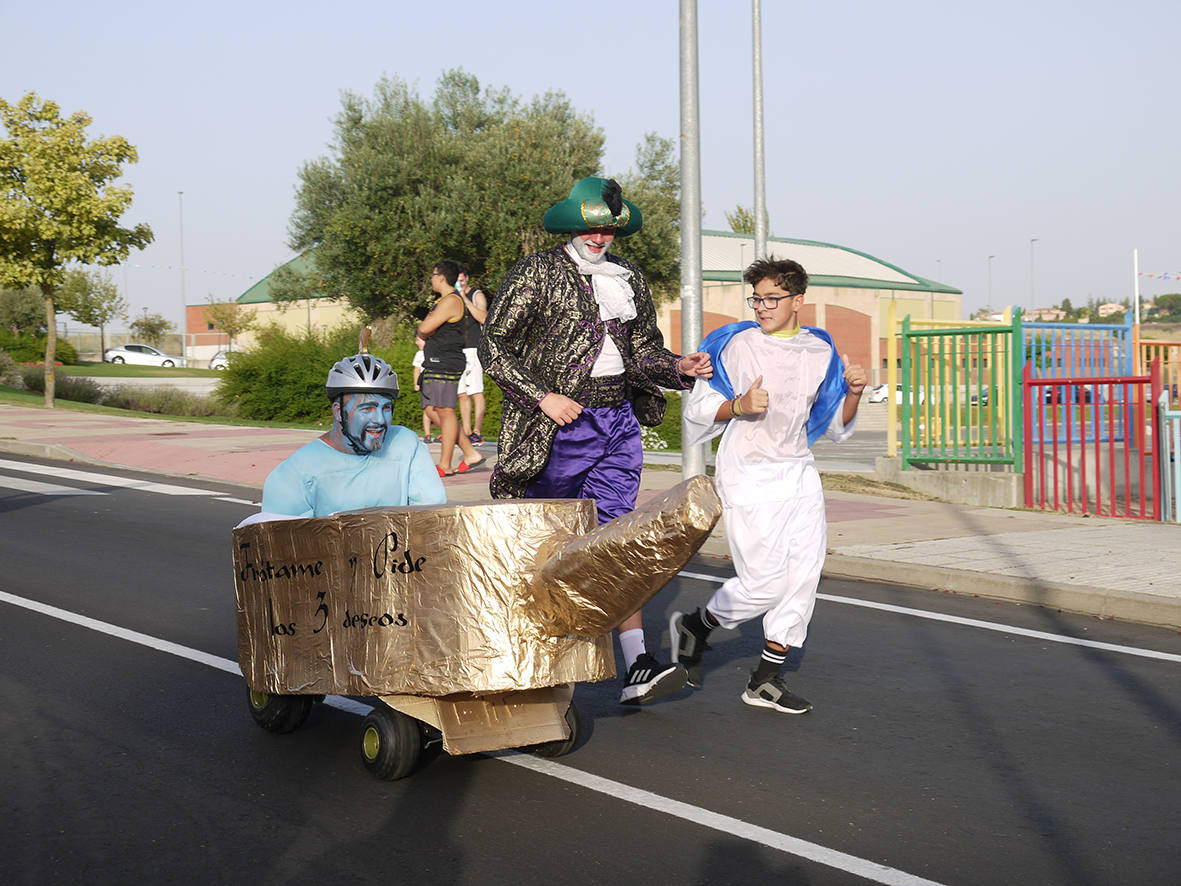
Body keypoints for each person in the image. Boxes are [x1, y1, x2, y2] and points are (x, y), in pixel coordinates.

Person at [480, 176, 714, 705]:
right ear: (573, 227)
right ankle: (514, 650)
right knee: (541, 541)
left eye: (608, 229)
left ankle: (637, 663)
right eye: (592, 228)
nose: (600, 238)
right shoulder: (537, 272)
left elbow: (644, 351)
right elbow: (494, 348)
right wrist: (543, 397)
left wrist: (678, 366)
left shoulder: (626, 276)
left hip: (619, 422)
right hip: (558, 426)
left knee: (615, 541)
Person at [668, 257, 867, 714]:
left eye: (772, 298)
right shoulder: (735, 344)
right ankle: (698, 625)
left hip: (798, 471)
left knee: (803, 574)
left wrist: (854, 391)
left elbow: (836, 425)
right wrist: (737, 405)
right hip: (748, 472)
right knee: (764, 583)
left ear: (798, 300)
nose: (761, 306)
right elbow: (698, 411)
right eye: (757, 298)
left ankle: (766, 678)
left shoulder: (821, 349)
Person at [261, 332, 446, 518]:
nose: (380, 420)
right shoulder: (293, 475)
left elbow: (430, 518)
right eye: (367, 409)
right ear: (338, 412)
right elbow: (284, 542)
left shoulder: (406, 445)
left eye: (387, 408)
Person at [417, 260, 485, 477]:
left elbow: (425, 327)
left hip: (446, 362)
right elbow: (426, 328)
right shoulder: (443, 301)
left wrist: (426, 330)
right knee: (431, 410)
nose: (431, 278)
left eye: (432, 274)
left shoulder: (451, 301)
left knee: (445, 412)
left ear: (441, 277)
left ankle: (445, 464)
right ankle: (469, 451)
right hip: (436, 360)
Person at [455, 267, 488, 444]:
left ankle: (477, 431)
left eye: (461, 279)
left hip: (474, 349)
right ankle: (467, 432)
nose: (459, 283)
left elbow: (483, 318)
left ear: (467, 278)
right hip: (458, 350)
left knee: (476, 392)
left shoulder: (476, 295)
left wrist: (464, 298)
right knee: (462, 394)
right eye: (456, 280)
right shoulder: (452, 297)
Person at [412, 336, 439, 443]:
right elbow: (417, 369)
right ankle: (427, 434)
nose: (416, 342)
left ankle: (444, 432)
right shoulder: (419, 354)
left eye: (419, 340)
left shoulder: (436, 351)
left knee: (440, 408)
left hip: (436, 383)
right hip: (425, 383)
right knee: (427, 408)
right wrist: (416, 383)